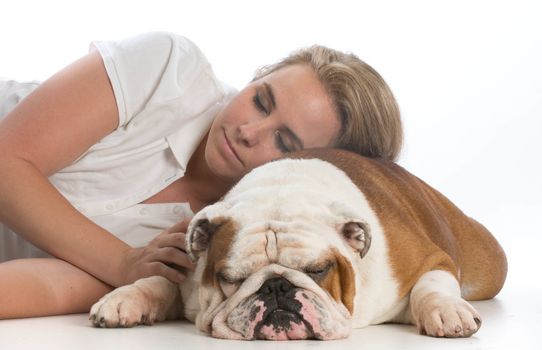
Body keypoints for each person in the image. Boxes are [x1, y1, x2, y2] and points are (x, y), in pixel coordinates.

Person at [0, 32, 402, 319]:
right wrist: (123, 262)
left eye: (284, 143)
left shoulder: (216, 248)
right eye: (260, 101)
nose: (249, 132)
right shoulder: (170, 70)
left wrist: (128, 271)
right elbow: (6, 162)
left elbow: (49, 286)